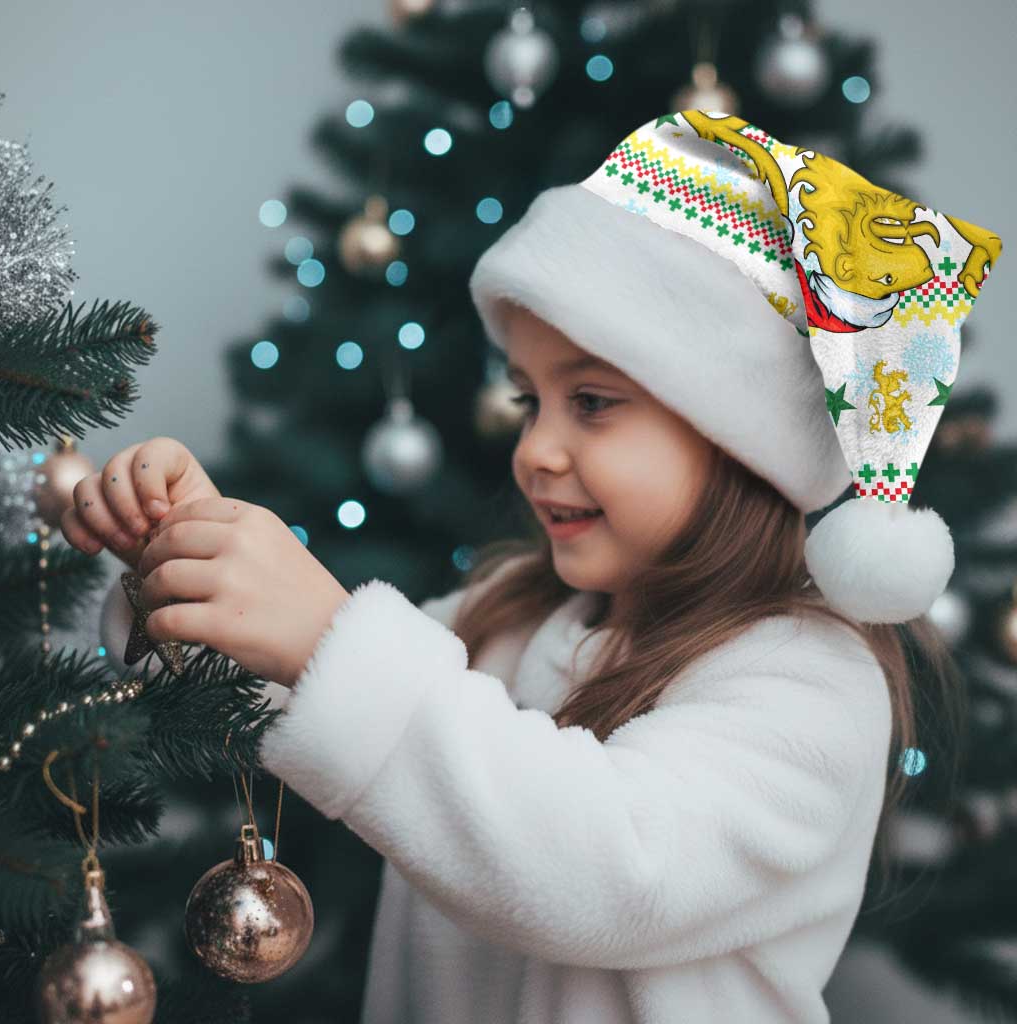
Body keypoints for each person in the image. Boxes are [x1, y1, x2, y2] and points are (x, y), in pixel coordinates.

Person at [65, 110, 1003, 1023]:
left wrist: (327, 637)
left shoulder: (811, 683)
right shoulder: (508, 616)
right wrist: (184, 566)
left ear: (741, 440)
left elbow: (608, 870)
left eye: (591, 402)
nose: (536, 450)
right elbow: (298, 693)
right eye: (528, 401)